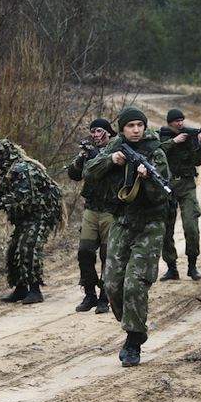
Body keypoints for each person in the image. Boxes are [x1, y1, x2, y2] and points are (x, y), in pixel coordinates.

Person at [83, 106, 170, 367]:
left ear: (144, 128)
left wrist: (147, 180)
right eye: (130, 126)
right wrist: (112, 160)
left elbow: (163, 193)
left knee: (135, 282)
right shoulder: (115, 148)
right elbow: (88, 173)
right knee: (111, 284)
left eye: (139, 126)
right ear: (121, 129)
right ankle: (135, 328)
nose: (135, 130)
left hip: (150, 224)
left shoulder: (156, 152)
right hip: (121, 221)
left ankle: (133, 341)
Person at [0, 139, 64, 305]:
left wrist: (2, 202)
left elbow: (25, 197)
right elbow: (7, 193)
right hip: (26, 217)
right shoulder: (9, 171)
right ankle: (20, 288)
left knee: (28, 248)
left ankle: (35, 290)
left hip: (41, 215)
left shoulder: (23, 168)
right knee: (13, 249)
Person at [67, 118, 117, 314]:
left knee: (108, 254)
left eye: (99, 131)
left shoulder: (117, 149)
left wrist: (99, 157)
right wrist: (82, 158)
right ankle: (89, 293)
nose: (96, 135)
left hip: (111, 210)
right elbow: (74, 174)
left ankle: (105, 296)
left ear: (109, 132)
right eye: (93, 131)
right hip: (91, 208)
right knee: (85, 252)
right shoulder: (89, 153)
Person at [158, 108, 201, 281]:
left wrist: (199, 143)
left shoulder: (190, 136)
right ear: (169, 122)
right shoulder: (162, 136)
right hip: (167, 186)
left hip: (187, 185)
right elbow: (156, 153)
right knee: (166, 228)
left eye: (182, 120)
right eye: (176, 121)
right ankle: (171, 267)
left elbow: (197, 161)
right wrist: (174, 141)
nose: (180, 123)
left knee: (191, 226)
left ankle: (192, 266)